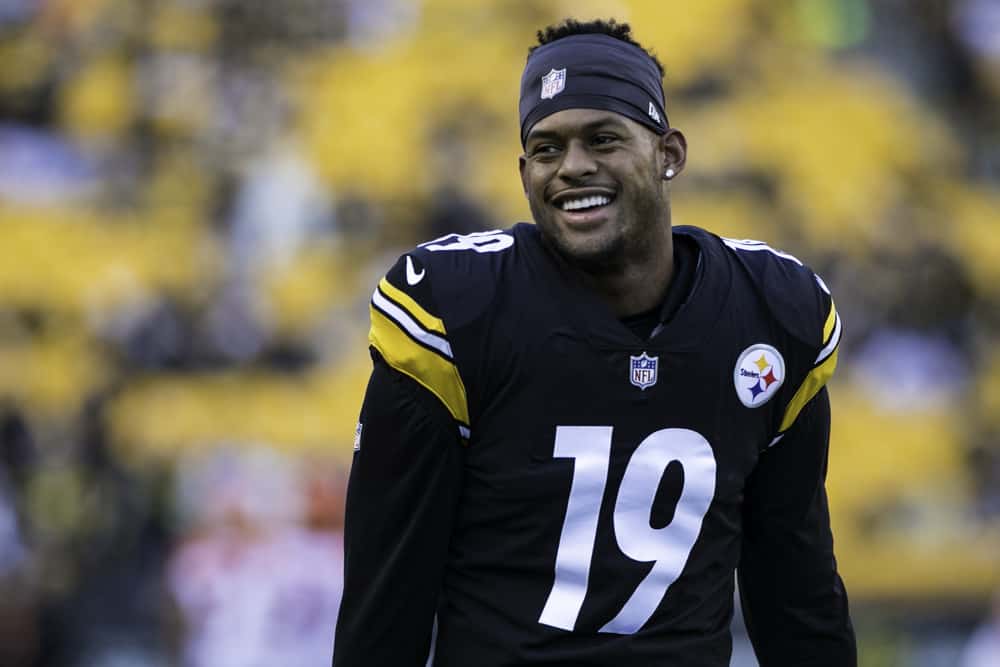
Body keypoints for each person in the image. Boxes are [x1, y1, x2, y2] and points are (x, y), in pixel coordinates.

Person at [333, 18, 856, 667]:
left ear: (670, 152)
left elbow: (797, 594)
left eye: (602, 138)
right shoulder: (454, 312)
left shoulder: (772, 313)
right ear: (523, 171)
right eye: (547, 148)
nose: (573, 166)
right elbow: (387, 602)